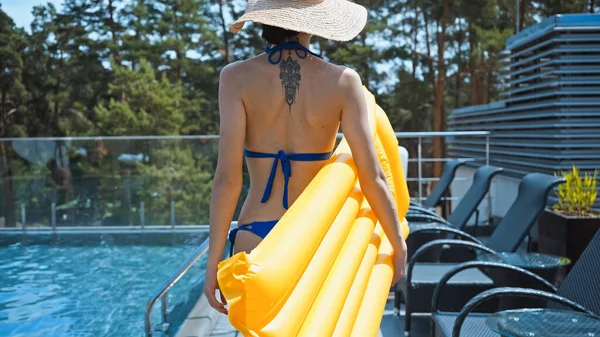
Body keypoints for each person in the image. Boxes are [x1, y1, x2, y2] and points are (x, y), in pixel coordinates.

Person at [204, 0, 408, 315]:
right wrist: (398, 243)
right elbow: (373, 177)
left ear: (265, 19)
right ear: (314, 22)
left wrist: (212, 263)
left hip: (254, 234)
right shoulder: (343, 81)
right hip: (313, 236)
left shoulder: (234, 77)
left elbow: (227, 181)